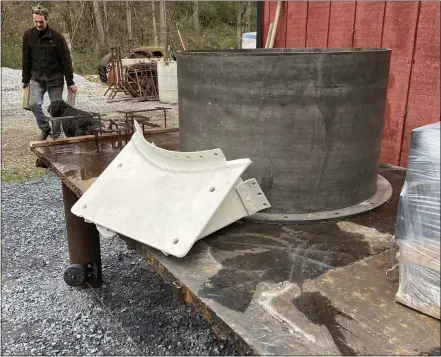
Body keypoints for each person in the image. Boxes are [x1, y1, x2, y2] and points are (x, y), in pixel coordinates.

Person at [22, 5, 78, 140]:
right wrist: (25, 79)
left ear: (46, 20)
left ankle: (56, 136)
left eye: (41, 22)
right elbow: (25, 58)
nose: (38, 24)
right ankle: (45, 128)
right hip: (37, 77)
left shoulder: (58, 38)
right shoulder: (28, 35)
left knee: (57, 108)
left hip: (55, 78)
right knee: (33, 104)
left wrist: (70, 81)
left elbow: (66, 60)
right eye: (35, 22)